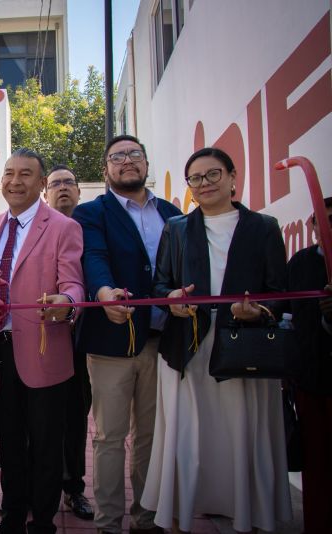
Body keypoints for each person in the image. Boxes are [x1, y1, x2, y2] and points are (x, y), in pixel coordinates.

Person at [142, 147, 292, 533]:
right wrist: (172, 300)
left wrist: (258, 312)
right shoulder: (176, 228)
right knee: (188, 437)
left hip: (244, 348)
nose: (204, 184)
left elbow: (278, 291)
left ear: (232, 177)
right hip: (187, 347)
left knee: (243, 433)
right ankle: (181, 514)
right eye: (196, 178)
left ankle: (249, 514)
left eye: (213, 175)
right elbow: (162, 284)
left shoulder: (264, 227)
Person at [72, 134, 180, 534]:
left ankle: (147, 518)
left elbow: (177, 273)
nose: (127, 161)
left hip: (162, 342)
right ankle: (108, 523)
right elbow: (94, 257)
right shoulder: (91, 213)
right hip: (110, 342)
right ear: (106, 170)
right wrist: (103, 294)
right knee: (110, 437)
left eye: (135, 154)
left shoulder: (171, 212)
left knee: (152, 436)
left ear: (147, 163)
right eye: (117, 156)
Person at [0, 149, 84, 534]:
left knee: (46, 444)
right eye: (9, 173)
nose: (15, 180)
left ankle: (42, 521)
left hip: (45, 351)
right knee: (10, 442)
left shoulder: (62, 227)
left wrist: (69, 303)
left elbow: (75, 283)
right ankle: (12, 517)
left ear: (42, 183)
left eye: (25, 174)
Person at [43, 165, 92, 521]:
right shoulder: (37, 230)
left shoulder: (92, 230)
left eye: (68, 183)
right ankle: (33, 489)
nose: (62, 189)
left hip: (82, 342)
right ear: (45, 193)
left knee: (75, 418)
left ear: (78, 192)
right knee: (38, 421)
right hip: (42, 341)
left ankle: (73, 487)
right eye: (55, 183)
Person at [285, 197, 332, 532]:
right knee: (316, 459)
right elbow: (288, 313)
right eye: (324, 221)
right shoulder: (300, 263)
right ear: (314, 227)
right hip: (310, 376)